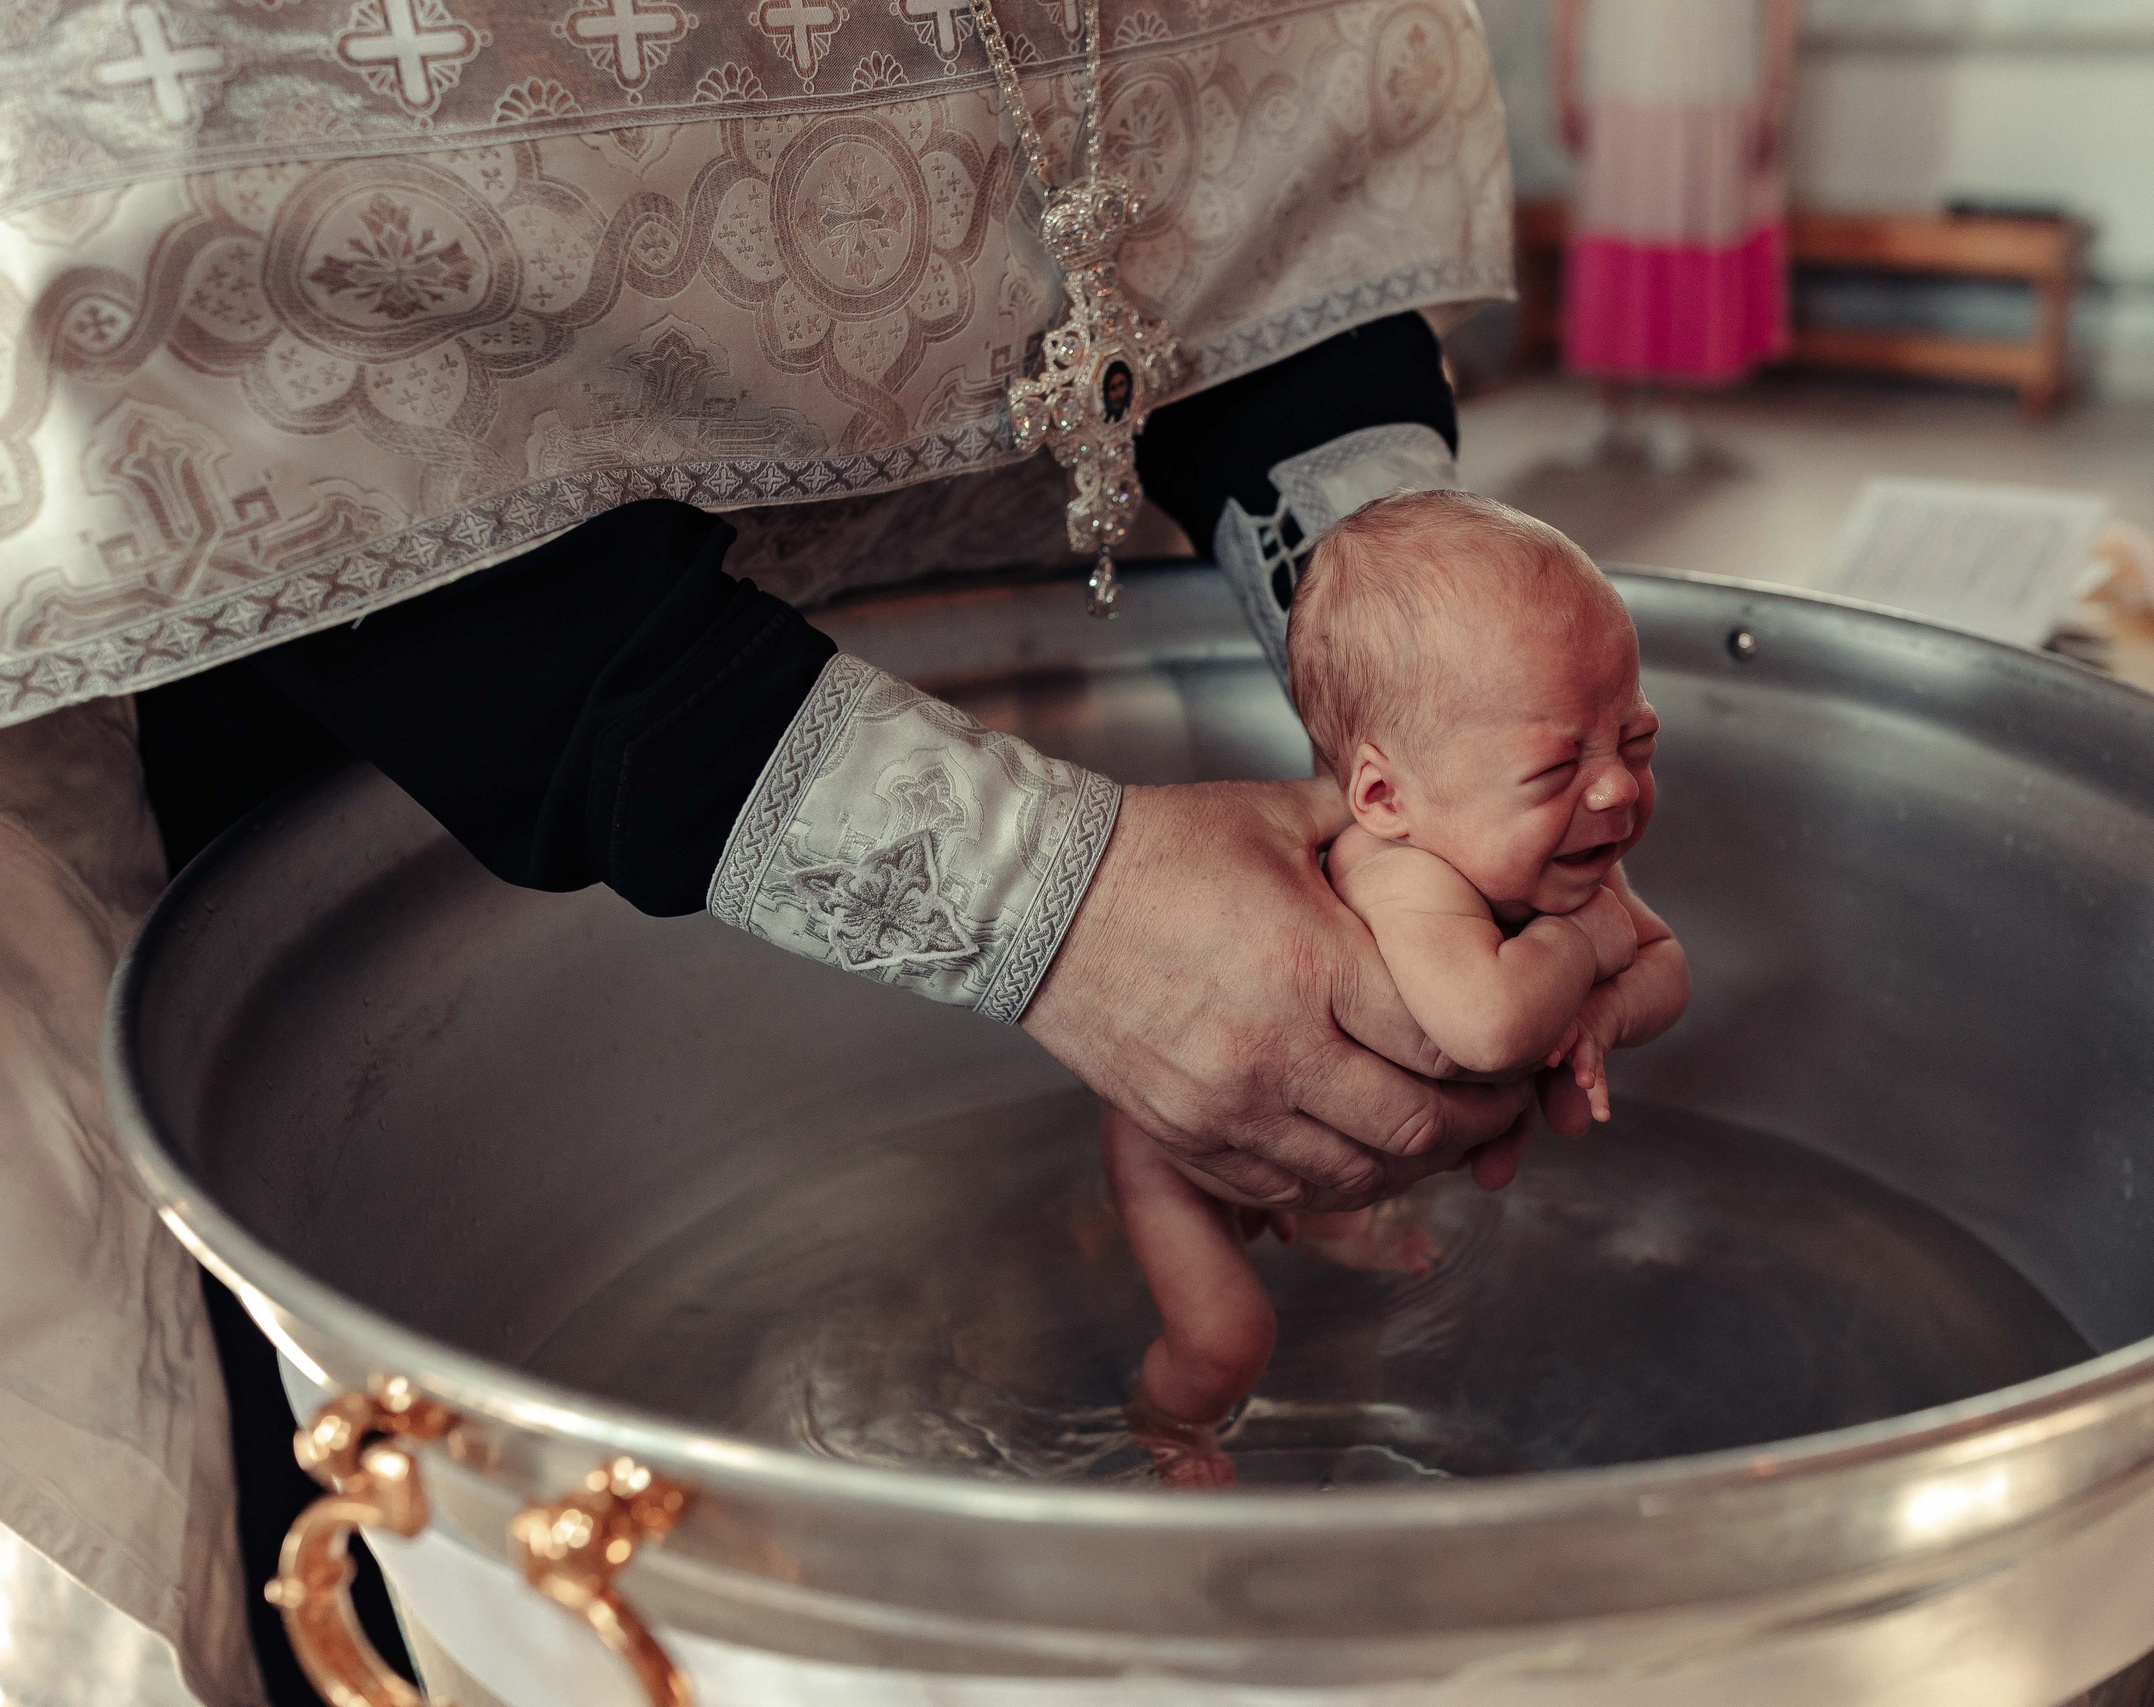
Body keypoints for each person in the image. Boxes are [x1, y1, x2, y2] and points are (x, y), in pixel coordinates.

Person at [0, 2, 1527, 1699]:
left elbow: (1241, 134)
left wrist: (1425, 660)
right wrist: (1041, 898)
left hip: (1061, 633)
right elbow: (201, 302)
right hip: (414, 767)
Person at [1108, 492, 1690, 1486]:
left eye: (1633, 743)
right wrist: (1593, 939)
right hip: (1177, 1150)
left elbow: (1667, 969)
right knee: (1228, 1339)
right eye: (1556, 769)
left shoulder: (1562, 855)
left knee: (1361, 1175)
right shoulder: (1406, 873)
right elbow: (1491, 1026)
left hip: (1303, 1103)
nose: (1614, 791)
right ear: (1384, 798)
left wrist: (1598, 1009)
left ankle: (1331, 1224)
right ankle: (1162, 1426)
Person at [1553, 0, 1800, 470]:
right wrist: (1563, 81)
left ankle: (1671, 405)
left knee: (1689, 237)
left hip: (1712, 86)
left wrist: (1776, 94)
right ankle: (1608, 402)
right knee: (1613, 237)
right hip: (1620, 83)